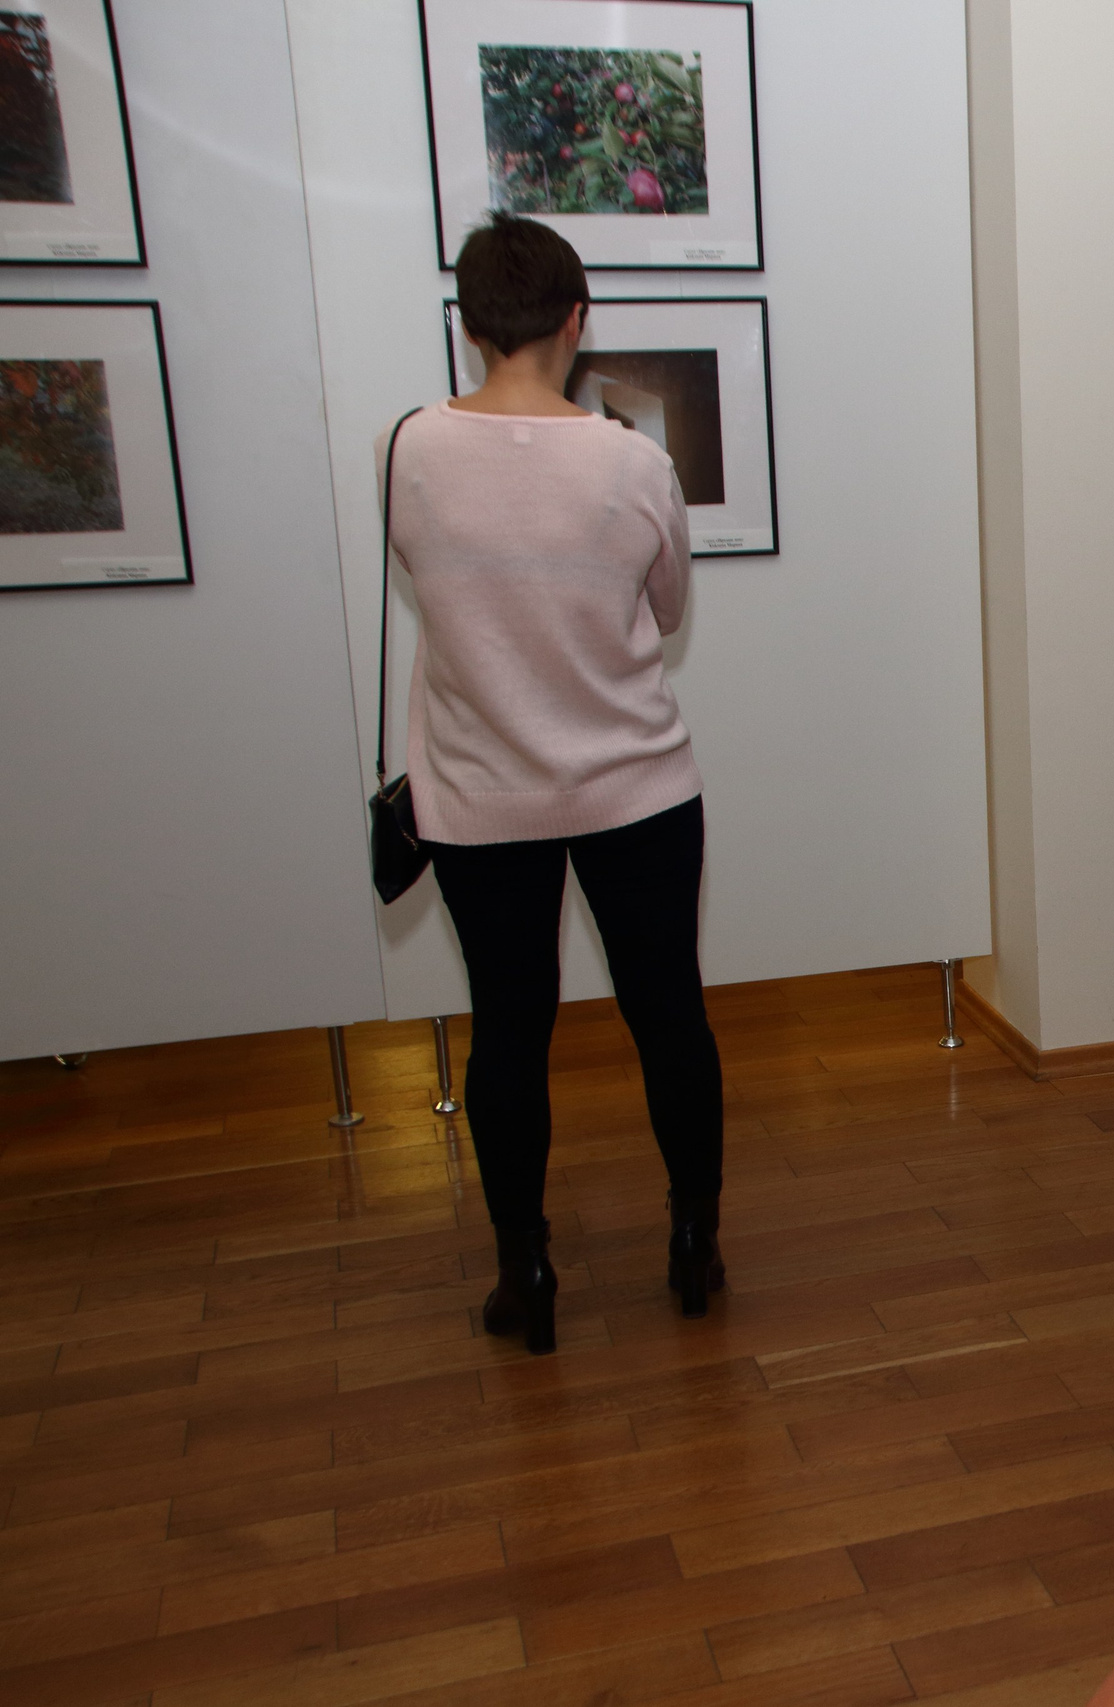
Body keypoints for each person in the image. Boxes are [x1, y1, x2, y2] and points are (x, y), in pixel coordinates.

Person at [381, 212, 726, 1356]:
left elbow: (427, 582)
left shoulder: (411, 451)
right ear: (578, 321)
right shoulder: (634, 460)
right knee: (667, 1011)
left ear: (467, 325)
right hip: (637, 789)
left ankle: (526, 1272)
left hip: (481, 801)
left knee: (508, 1035)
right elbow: (667, 610)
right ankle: (694, 1249)